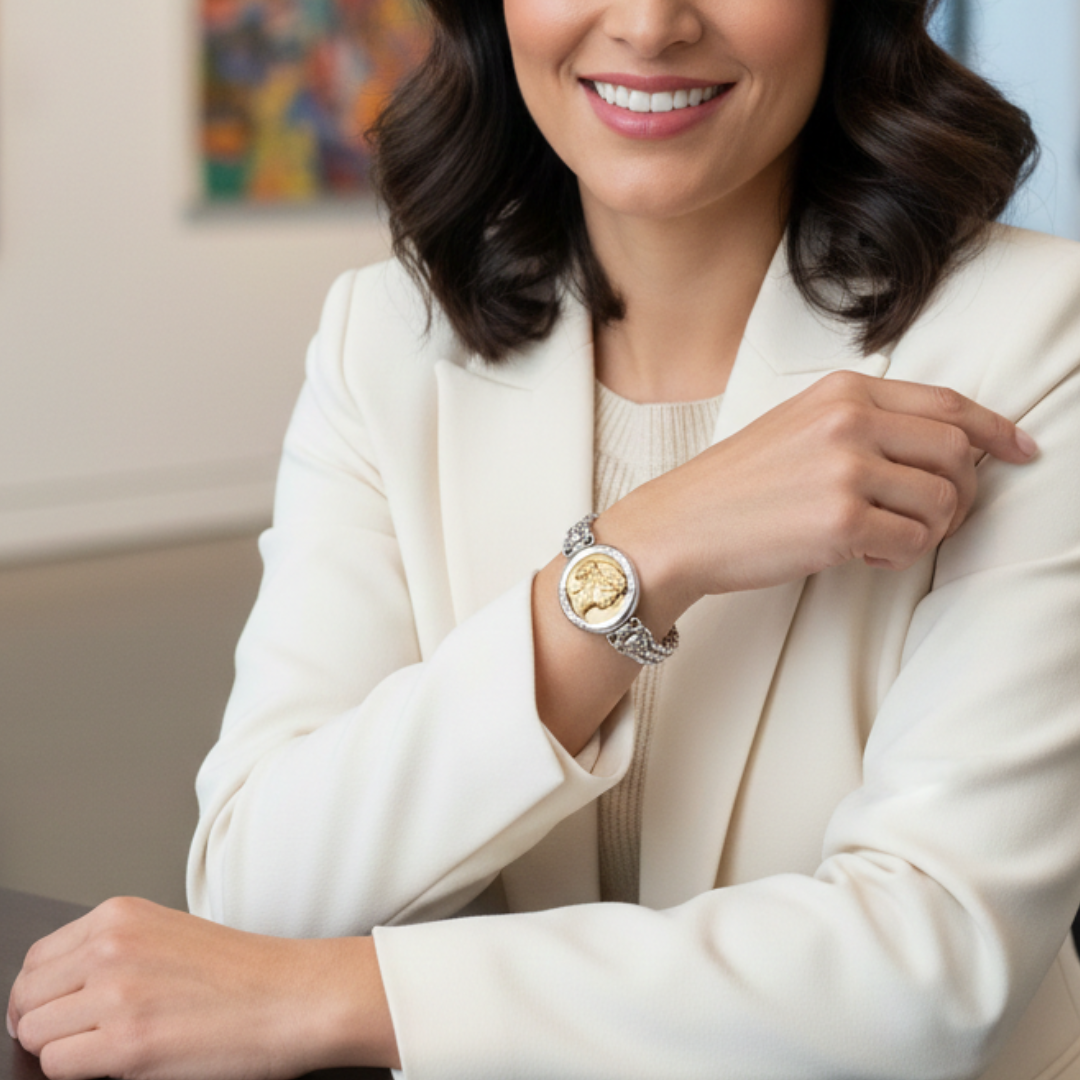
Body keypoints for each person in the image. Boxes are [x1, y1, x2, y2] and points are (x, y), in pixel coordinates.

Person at [8, 0, 1080, 1077]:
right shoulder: (385, 340)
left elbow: (932, 969)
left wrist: (338, 996)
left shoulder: (1033, 337)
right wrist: (641, 556)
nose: (652, 25)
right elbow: (258, 883)